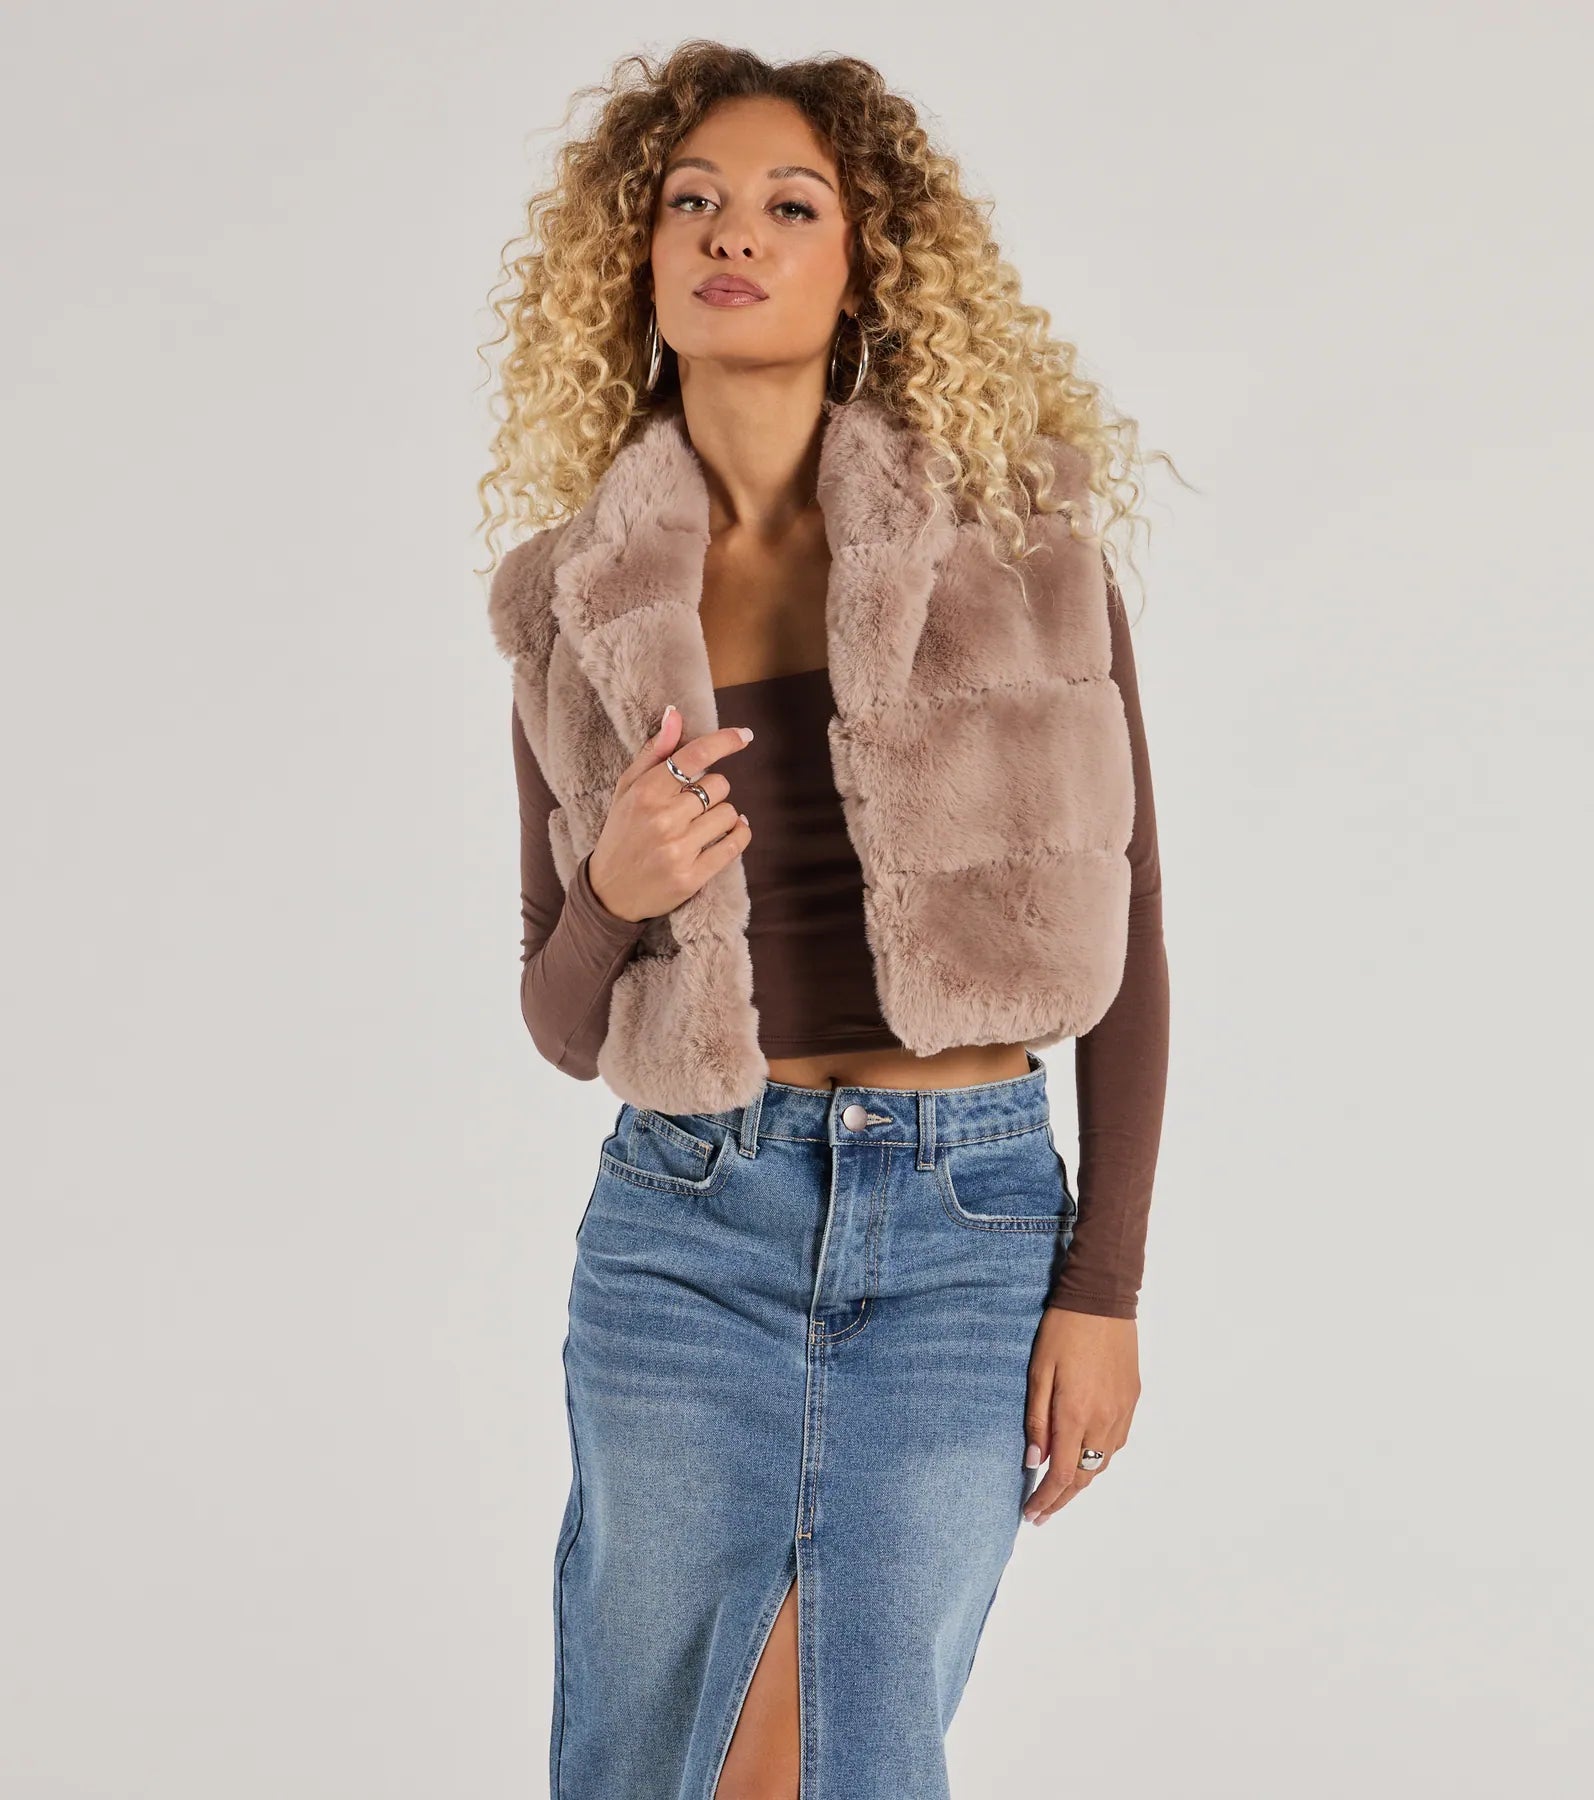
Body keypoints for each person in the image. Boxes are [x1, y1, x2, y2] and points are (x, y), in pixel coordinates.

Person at [479, 42, 1173, 1800]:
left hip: (965, 1229)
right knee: (667, 1761)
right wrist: (615, 895)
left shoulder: (1023, 549)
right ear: (636, 258)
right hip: (684, 1230)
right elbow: (560, 1022)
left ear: (864, 262)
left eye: (791, 205)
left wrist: (1102, 1288)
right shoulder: (568, 604)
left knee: (849, 1755)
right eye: (692, 201)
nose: (735, 234)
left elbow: (1133, 939)